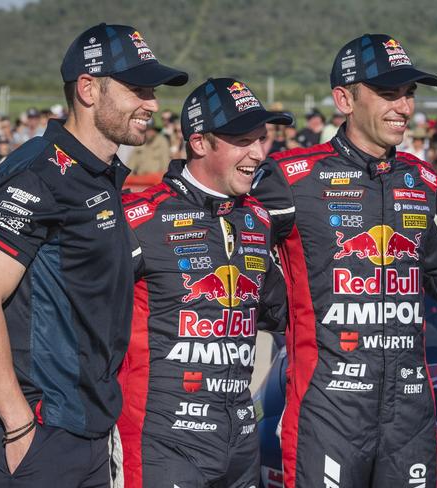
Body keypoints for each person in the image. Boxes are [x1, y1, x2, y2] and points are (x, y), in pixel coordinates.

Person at [251, 33, 437, 488]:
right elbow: (231, 252)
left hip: (410, 411)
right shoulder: (291, 176)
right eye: (389, 94)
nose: (405, 107)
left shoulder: (422, 178)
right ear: (344, 99)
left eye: (409, 93)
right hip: (328, 410)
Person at [0, 22, 186, 487]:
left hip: (86, 431)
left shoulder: (101, 173)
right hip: (36, 432)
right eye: (138, 89)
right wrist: (19, 425)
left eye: (152, 90)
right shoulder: (38, 172)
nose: (152, 103)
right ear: (89, 89)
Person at [116, 77, 290, 488]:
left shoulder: (258, 219)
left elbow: (277, 312)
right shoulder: (139, 218)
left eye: (261, 139)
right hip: (163, 441)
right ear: (199, 143)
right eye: (243, 140)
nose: (258, 154)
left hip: (241, 438)